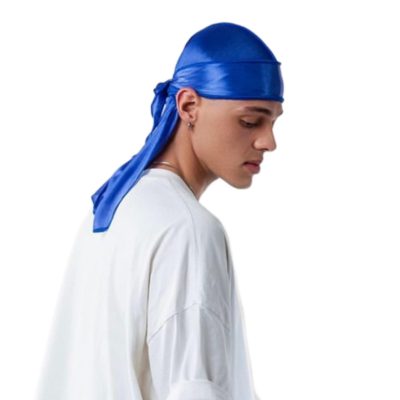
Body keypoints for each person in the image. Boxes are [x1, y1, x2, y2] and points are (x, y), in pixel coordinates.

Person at [34, 21, 284, 400]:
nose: (268, 141)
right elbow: (193, 388)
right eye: (250, 121)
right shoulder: (189, 230)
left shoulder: (115, 207)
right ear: (188, 106)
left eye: (274, 122)